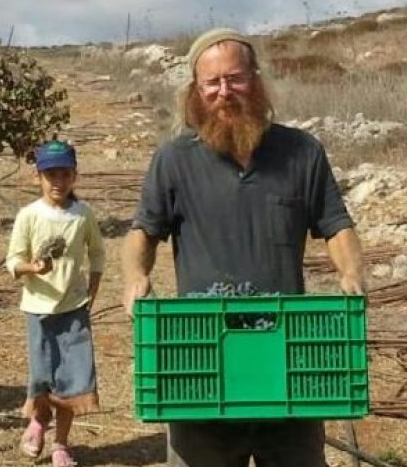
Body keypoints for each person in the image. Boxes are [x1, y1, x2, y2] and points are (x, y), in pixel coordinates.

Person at [121, 28, 366, 467]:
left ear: (255, 78)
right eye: (211, 83)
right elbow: (143, 231)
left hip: (286, 360)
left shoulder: (302, 152)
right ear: (196, 91)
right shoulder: (174, 160)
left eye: (234, 79)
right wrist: (135, 278)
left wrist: (351, 274)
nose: (223, 92)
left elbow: (336, 226)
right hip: (203, 360)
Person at [5, 140, 105, 467]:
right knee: (41, 378)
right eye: (51, 175)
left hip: (74, 311)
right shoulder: (29, 216)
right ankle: (37, 422)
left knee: (73, 381)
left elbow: (97, 253)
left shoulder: (82, 215)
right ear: (38, 177)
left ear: (75, 176)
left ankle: (61, 444)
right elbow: (13, 261)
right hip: (39, 310)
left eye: (64, 174)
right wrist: (31, 268)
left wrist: (92, 290)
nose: (58, 182)